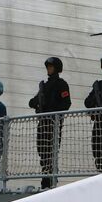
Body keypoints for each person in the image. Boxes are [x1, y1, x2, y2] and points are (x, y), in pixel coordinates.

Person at [29, 56, 71, 188]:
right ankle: (45, 180)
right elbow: (32, 102)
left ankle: (50, 181)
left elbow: (66, 103)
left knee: (51, 152)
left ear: (57, 68)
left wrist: (53, 111)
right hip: (43, 123)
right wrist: (38, 104)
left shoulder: (61, 84)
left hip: (53, 123)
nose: (49, 69)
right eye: (48, 67)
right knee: (42, 151)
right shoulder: (44, 86)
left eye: (51, 67)